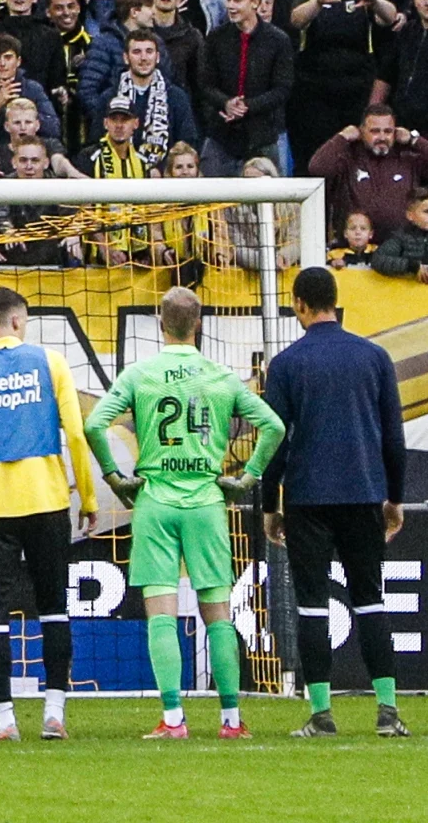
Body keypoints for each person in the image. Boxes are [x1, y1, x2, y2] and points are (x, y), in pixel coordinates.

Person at [81, 284, 279, 740]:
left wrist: (114, 475)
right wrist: (247, 477)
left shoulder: (140, 374)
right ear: (201, 322)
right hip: (206, 502)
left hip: (155, 500)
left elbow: (94, 423)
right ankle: (231, 720)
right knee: (218, 613)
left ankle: (173, 720)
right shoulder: (220, 376)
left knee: (162, 613)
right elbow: (272, 425)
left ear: (158, 320)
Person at [0, 281, 96, 741]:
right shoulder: (51, 361)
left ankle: (5, 719)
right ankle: (54, 714)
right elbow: (77, 434)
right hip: (47, 499)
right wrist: (86, 497)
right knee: (53, 607)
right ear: (18, 321)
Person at [259, 264, 412, 736]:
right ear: (335, 300)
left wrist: (270, 503)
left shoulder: (285, 364)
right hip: (364, 492)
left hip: (308, 497)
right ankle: (387, 711)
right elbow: (393, 437)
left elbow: (275, 440)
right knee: (370, 600)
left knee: (311, 604)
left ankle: (321, 714)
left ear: (299, 305)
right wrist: (395, 497)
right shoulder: (374, 357)